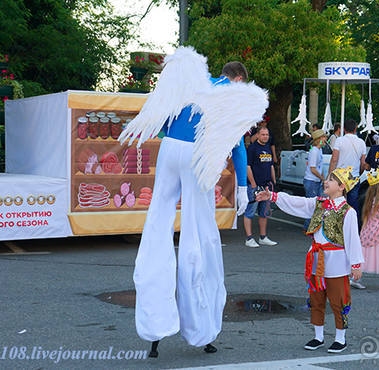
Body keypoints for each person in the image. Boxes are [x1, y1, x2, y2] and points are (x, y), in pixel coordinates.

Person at [121, 48, 267, 358]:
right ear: (239, 78)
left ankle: (154, 330)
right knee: (199, 239)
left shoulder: (195, 82)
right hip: (195, 155)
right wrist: (242, 186)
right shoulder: (234, 95)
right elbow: (238, 147)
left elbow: (163, 121)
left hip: (170, 149)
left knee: (156, 230)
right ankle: (202, 331)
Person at [256, 167, 363, 353]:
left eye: (330, 179)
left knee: (339, 300)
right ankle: (318, 336)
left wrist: (356, 263)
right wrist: (273, 196)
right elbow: (298, 203)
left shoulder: (348, 212)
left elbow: (353, 238)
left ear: (341, 186)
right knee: (316, 299)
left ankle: (340, 338)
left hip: (337, 261)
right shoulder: (319, 203)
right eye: (327, 178)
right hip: (316, 259)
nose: (326, 181)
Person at [244, 126, 277, 248]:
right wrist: (253, 183)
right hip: (255, 186)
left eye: (267, 135)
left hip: (266, 185)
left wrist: (273, 181)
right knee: (250, 212)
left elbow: (271, 166)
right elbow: (248, 167)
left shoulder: (268, 148)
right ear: (257, 135)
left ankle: (263, 237)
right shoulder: (252, 149)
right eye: (263, 134)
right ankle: (249, 238)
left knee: (264, 212)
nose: (265, 137)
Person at [329, 119, 367, 213]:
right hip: (353, 177)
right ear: (355, 129)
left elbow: (334, 159)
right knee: (352, 205)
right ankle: (353, 226)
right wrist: (359, 173)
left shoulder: (339, 141)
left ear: (344, 129)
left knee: (337, 203)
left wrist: (330, 175)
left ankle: (337, 225)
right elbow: (363, 163)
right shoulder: (361, 142)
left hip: (339, 177)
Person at [302, 129, 327, 230]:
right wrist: (322, 178)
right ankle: (307, 227)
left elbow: (318, 168)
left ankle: (311, 226)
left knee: (316, 205)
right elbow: (313, 169)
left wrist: (322, 178)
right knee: (312, 206)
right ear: (320, 139)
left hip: (315, 181)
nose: (326, 139)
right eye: (324, 137)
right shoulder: (314, 151)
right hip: (311, 181)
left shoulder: (319, 150)